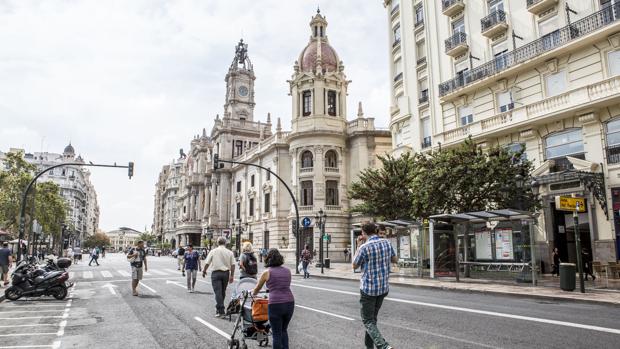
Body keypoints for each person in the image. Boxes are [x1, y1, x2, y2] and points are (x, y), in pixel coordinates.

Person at [352, 222, 397, 349]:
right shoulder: (387, 243)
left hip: (369, 290)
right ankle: (369, 346)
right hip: (383, 288)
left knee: (368, 320)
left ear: (363, 233)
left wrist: (358, 245)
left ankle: (383, 346)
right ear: (376, 231)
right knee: (372, 320)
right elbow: (395, 259)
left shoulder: (364, 247)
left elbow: (354, 265)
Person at [253, 248, 294, 349]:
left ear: (268, 259)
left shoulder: (267, 272)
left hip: (275, 304)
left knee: (276, 333)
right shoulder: (288, 271)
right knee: (284, 330)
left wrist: (253, 294)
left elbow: (257, 288)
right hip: (289, 303)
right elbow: (284, 285)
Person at [202, 237, 235, 317]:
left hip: (216, 273)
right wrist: (232, 276)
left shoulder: (213, 251)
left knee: (218, 292)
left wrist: (204, 270)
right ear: (225, 243)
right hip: (226, 274)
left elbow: (207, 262)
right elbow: (233, 265)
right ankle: (219, 308)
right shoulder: (230, 252)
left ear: (217, 243)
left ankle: (221, 311)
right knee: (222, 292)